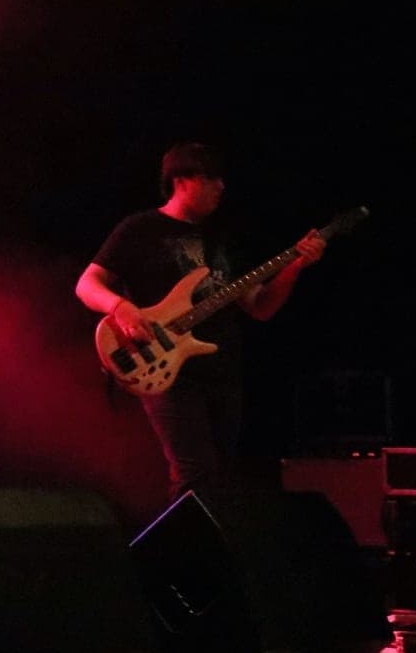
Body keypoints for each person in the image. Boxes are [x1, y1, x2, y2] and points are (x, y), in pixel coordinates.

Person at [75, 142, 323, 500]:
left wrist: (295, 267)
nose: (221, 186)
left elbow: (260, 307)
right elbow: (87, 284)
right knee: (196, 475)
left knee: (220, 477)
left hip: (223, 371)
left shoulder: (223, 238)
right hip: (168, 371)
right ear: (181, 181)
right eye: (210, 178)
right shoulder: (140, 229)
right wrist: (121, 307)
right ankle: (186, 537)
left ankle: (201, 535)